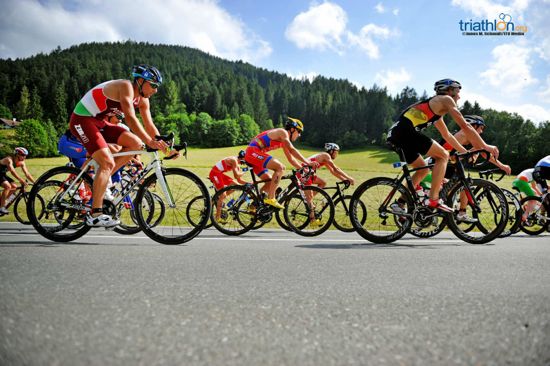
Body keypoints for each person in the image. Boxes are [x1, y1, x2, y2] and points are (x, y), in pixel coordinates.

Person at [69, 64, 168, 227]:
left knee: (136, 144)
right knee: (106, 162)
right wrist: (150, 142)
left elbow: (149, 126)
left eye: (158, 86)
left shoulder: (144, 100)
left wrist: (166, 147)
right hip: (82, 120)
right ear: (141, 81)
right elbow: (130, 118)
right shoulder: (126, 86)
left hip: (99, 123)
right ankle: (95, 214)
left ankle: (102, 182)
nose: (155, 90)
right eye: (154, 85)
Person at [387, 78, 499, 213]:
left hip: (397, 135)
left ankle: (399, 203)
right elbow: (466, 126)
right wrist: (486, 147)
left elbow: (447, 136)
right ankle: (433, 199)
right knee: (443, 155)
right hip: (405, 133)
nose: (459, 95)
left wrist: (464, 152)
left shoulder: (436, 110)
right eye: (457, 91)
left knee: (422, 170)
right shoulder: (445, 99)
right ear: (449, 91)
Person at [421, 115, 511, 222]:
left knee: (462, 184)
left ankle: (452, 211)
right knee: (463, 184)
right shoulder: (465, 133)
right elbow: (483, 151)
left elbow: (478, 151)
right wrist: (502, 166)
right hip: (438, 162)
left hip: (446, 163)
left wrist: (472, 154)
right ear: (473, 125)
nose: (481, 132)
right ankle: (459, 212)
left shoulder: (465, 135)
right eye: (481, 128)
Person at [244, 117, 316, 209]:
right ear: (292, 129)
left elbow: (291, 159)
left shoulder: (284, 141)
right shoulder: (283, 133)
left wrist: (302, 168)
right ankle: (271, 198)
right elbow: (292, 149)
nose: (299, 135)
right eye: (299, 132)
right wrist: (308, 162)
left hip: (256, 154)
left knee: (270, 181)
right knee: (280, 167)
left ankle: (255, 205)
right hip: (252, 152)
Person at [210, 151, 248, 222]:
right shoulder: (234, 160)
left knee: (236, 186)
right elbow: (236, 175)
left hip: (220, 174)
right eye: (246, 159)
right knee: (223, 194)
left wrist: (249, 183)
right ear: (243, 158)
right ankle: (217, 218)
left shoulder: (238, 165)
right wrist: (245, 171)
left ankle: (217, 199)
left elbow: (239, 180)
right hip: (214, 174)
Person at [0, 147, 36, 215]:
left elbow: (27, 174)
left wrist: (35, 183)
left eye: (25, 155)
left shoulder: (22, 162)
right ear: (17, 154)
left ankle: (2, 202)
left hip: (2, 174)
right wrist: (21, 180)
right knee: (7, 186)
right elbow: (12, 171)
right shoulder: (9, 159)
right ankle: (1, 207)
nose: (24, 157)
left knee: (14, 187)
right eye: (22, 155)